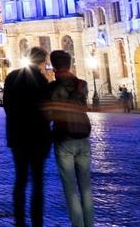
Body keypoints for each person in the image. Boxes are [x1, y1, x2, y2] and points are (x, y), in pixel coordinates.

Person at [4, 47, 52, 227]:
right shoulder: (41, 81)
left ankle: (19, 221)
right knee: (38, 182)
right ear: (41, 62)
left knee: (20, 179)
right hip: (38, 137)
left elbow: (7, 107)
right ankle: (37, 221)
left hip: (17, 136)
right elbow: (47, 111)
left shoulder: (12, 77)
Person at [45, 50, 93, 227]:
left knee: (70, 188)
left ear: (53, 66)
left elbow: (48, 114)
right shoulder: (82, 84)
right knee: (86, 187)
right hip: (83, 137)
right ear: (70, 64)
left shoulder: (51, 88)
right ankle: (89, 224)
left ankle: (78, 225)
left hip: (63, 138)